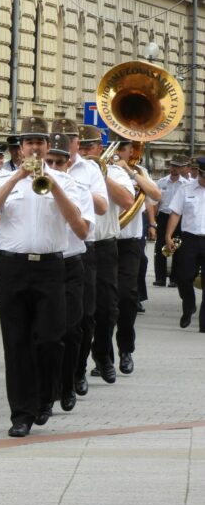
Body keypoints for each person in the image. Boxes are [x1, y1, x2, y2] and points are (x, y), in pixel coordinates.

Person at [0, 117, 87, 437]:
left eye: (40, 142)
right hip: (13, 268)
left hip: (52, 267)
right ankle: (21, 413)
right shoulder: (5, 180)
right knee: (17, 343)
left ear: (48, 146)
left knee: (52, 339)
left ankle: (46, 395)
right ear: (21, 148)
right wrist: (16, 179)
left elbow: (80, 227)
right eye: (30, 142)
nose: (35, 148)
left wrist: (53, 186)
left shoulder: (66, 183)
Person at [54, 118, 108, 399]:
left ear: (77, 142)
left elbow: (101, 206)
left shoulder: (90, 170)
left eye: (71, 137)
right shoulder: (46, 165)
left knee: (83, 318)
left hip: (82, 248)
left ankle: (77, 372)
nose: (66, 141)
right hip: (52, 250)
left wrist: (71, 186)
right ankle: (56, 378)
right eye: (60, 136)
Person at [79, 126, 134, 385]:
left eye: (89, 147)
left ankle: (102, 355)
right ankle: (77, 368)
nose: (83, 152)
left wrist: (102, 174)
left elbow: (126, 201)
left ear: (100, 148)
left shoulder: (114, 172)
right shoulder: (68, 170)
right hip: (76, 248)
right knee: (81, 312)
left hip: (103, 246)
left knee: (107, 309)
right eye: (80, 146)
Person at [44, 133, 95, 416]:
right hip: (45, 266)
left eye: (58, 162)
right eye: (48, 161)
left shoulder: (77, 188)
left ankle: (69, 382)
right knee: (47, 332)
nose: (52, 167)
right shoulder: (32, 185)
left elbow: (83, 230)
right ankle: (48, 389)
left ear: (67, 163)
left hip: (72, 263)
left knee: (71, 329)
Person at [112, 133, 161, 375]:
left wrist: (131, 173)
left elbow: (156, 195)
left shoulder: (139, 171)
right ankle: (103, 355)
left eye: (125, 148)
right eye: (118, 147)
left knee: (126, 296)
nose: (122, 152)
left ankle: (125, 349)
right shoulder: (99, 169)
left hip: (130, 243)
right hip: (104, 242)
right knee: (102, 302)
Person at [165, 156, 205, 331]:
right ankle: (189, 306)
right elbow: (175, 213)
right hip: (190, 238)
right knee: (182, 276)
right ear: (200, 174)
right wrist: (168, 236)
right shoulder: (185, 189)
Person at [152, 158, 190, 286]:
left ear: (183, 168)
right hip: (164, 216)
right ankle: (160, 278)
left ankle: (174, 278)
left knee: (178, 247)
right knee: (160, 247)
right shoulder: (161, 182)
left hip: (179, 218)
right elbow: (155, 202)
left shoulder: (186, 184)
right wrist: (153, 222)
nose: (174, 169)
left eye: (178, 167)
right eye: (173, 166)